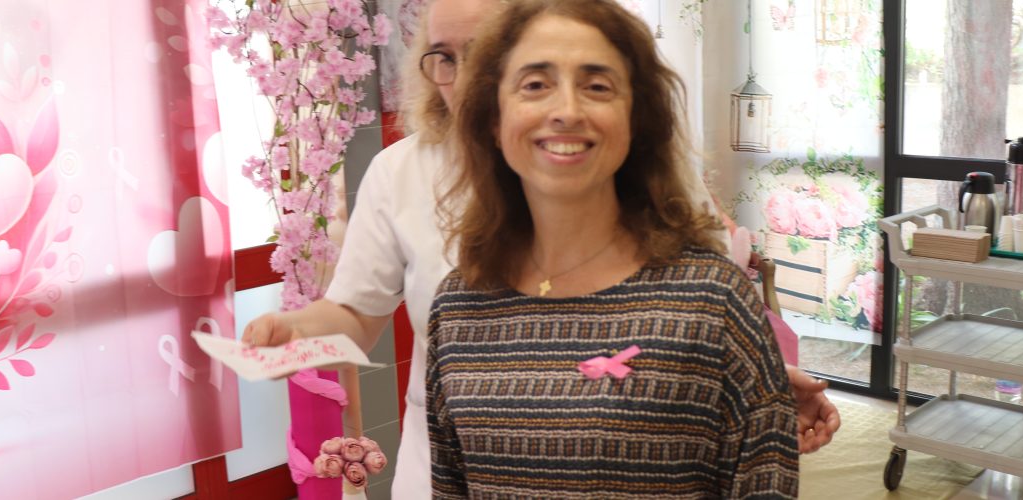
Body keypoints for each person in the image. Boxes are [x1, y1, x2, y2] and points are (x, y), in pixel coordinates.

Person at [241, 0, 836, 495]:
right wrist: (294, 333)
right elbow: (357, 310)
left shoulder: (651, 200)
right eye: (444, 57)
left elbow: (695, 313)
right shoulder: (416, 209)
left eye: (482, 52)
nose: (462, 76)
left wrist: (743, 381)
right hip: (468, 445)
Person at [424, 0, 797, 495]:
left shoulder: (712, 302)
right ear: (494, 118)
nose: (566, 111)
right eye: (535, 85)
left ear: (636, 119)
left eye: (597, 86)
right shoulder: (458, 308)